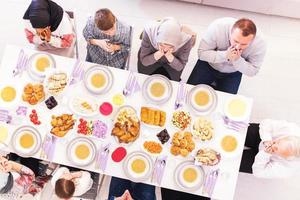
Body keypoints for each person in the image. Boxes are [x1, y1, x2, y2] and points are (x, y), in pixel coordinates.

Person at [187, 17, 267, 94]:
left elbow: (253, 71)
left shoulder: (260, 44)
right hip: (208, 65)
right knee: (189, 92)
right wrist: (225, 55)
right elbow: (202, 53)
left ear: (252, 40)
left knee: (225, 103)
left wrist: (237, 60)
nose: (237, 47)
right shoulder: (218, 27)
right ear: (230, 33)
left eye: (244, 44)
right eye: (236, 41)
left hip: (233, 73)